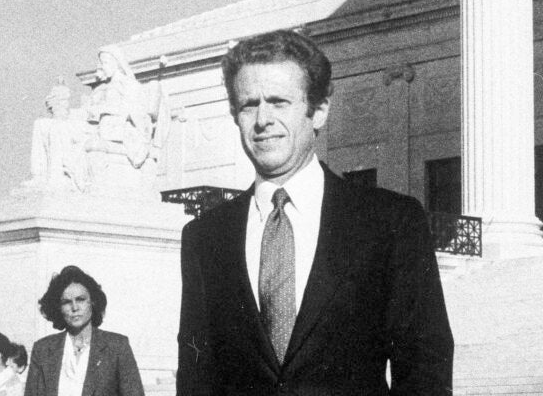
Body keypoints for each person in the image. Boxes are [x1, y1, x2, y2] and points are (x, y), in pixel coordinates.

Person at [176, 29, 454, 394]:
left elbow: (424, 369)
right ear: (234, 115)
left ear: (319, 111)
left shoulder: (390, 221)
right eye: (248, 105)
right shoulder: (205, 237)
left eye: (278, 102)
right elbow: (197, 378)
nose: (262, 120)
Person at [24, 265, 144, 396]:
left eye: (80, 300)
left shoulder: (117, 346)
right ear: (58, 307)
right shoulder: (43, 349)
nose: (74, 307)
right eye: (66, 302)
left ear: (93, 302)